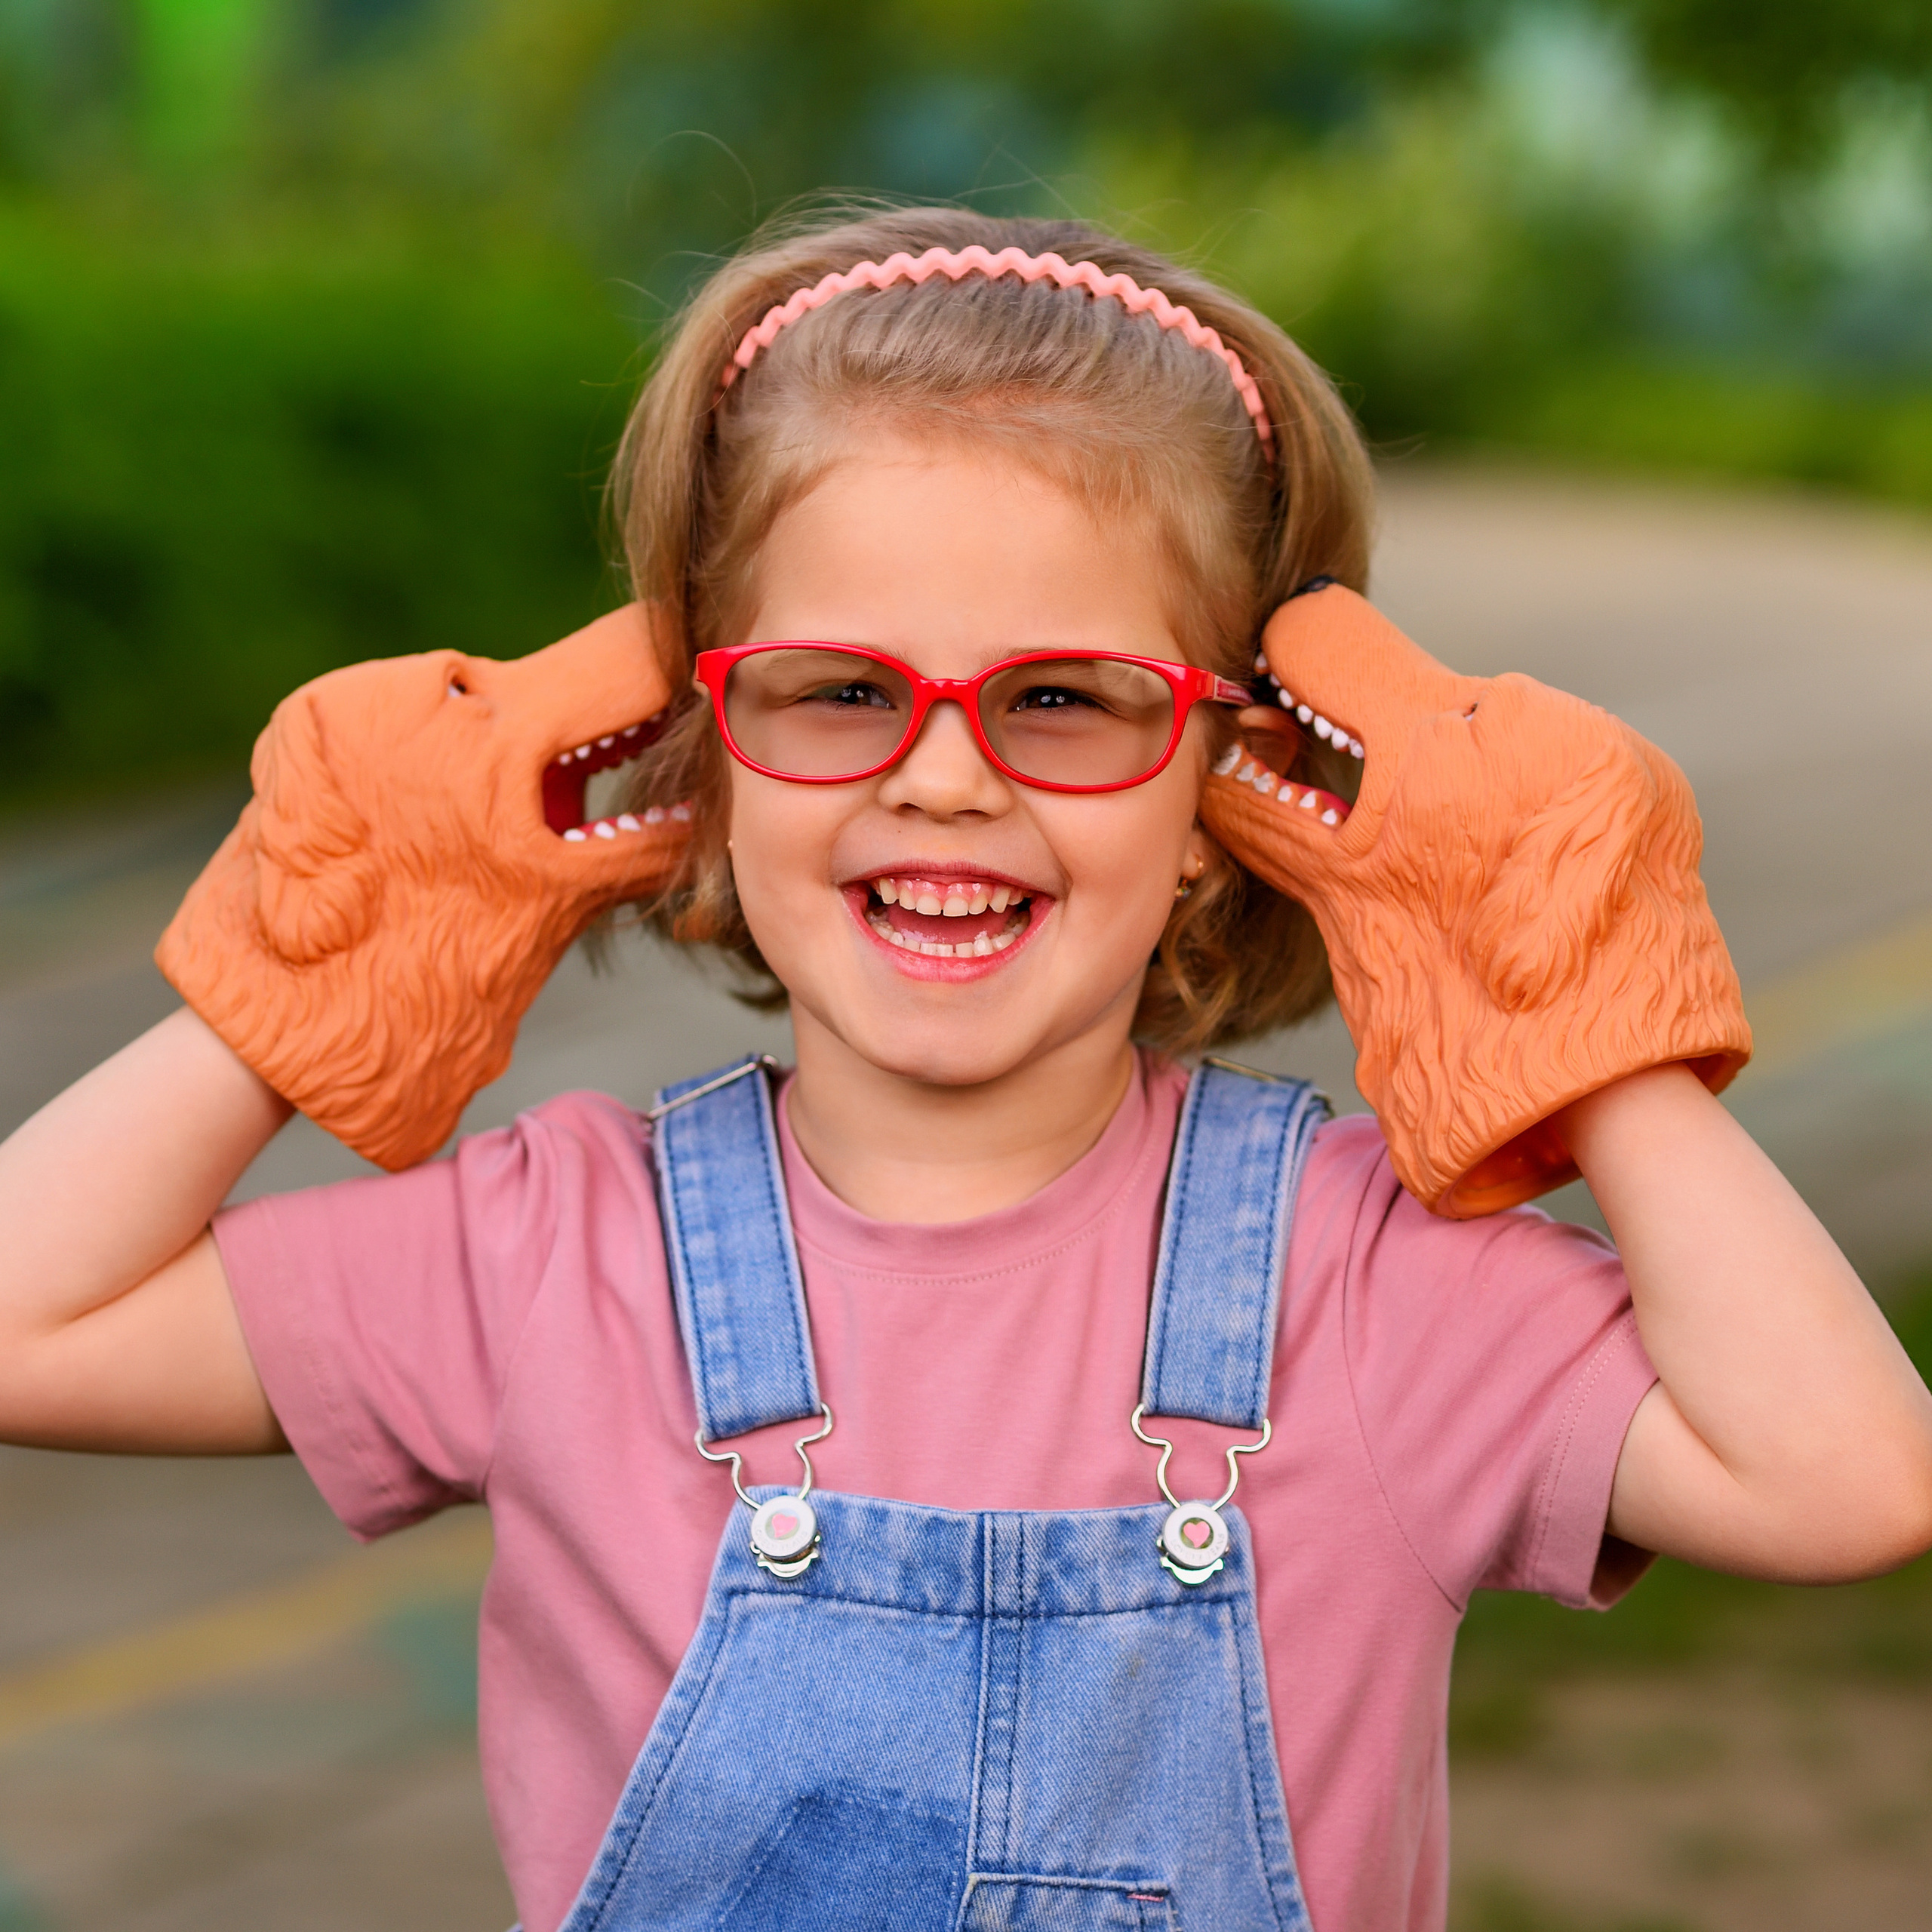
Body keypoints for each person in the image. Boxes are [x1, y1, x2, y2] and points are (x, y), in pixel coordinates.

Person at [1, 208, 1927, 1932]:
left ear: (1215, 794)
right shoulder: (555, 1255)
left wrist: (1586, 1020)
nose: (945, 773)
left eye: (1063, 701)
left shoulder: (1362, 1281)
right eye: (837, 690)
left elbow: (1840, 1478)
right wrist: (301, 971)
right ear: (704, 741)